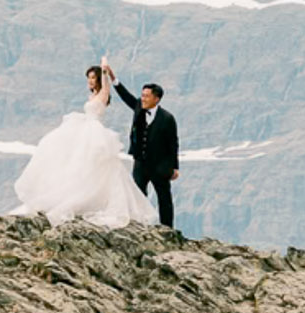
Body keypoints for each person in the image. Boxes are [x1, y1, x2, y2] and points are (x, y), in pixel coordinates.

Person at [13, 63, 153, 229]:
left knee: (99, 165)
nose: (90, 81)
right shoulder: (93, 95)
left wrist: (107, 71)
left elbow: (108, 85)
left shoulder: (103, 92)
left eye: (93, 78)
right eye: (89, 78)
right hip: (87, 127)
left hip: (95, 131)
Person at [118, 75, 180, 234]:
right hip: (140, 163)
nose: (143, 98)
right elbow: (126, 97)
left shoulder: (167, 118)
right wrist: (114, 80)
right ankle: (139, 226)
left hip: (160, 166)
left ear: (156, 99)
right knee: (138, 194)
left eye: (146, 96)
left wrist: (174, 167)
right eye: (142, 95)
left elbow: (173, 144)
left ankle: (168, 229)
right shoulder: (138, 107)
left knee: (164, 198)